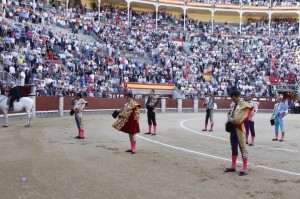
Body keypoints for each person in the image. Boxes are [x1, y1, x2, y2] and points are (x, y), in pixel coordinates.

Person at [225, 90, 252, 176]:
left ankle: (244, 168)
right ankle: (233, 166)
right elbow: (229, 115)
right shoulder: (233, 105)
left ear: (238, 97)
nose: (233, 100)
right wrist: (230, 120)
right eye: (232, 99)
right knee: (233, 146)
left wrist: (231, 119)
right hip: (233, 128)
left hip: (240, 128)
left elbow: (239, 120)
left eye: (234, 98)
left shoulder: (244, 105)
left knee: (242, 147)